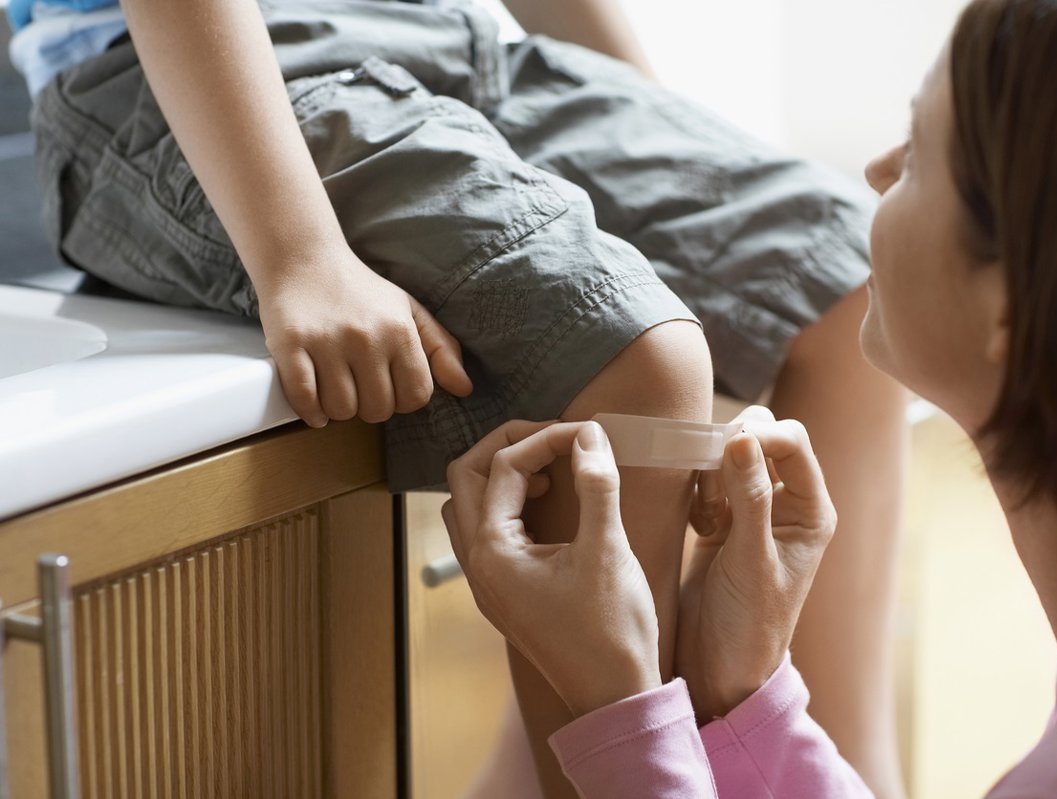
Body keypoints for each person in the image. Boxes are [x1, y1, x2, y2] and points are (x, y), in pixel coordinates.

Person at [8, 0, 907, 795]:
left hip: (463, 43)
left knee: (861, 284)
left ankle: (847, 779)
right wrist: (298, 253)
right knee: (637, 359)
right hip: (207, 76)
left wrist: (658, 141)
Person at [442, 0, 1057, 795]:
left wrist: (617, 705)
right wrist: (747, 696)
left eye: (918, 155)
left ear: (1014, 305)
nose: (877, 170)